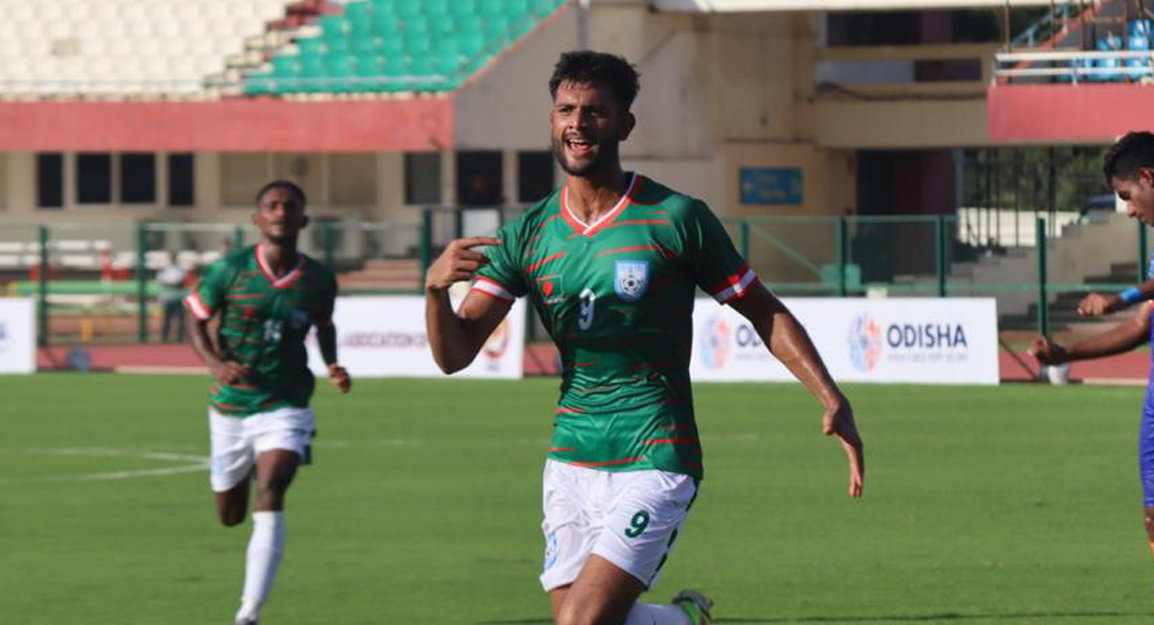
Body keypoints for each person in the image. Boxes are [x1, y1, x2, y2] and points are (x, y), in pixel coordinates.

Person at [425, 51, 865, 625]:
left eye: (595, 111)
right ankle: (684, 620)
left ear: (625, 124)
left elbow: (765, 312)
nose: (578, 123)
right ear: (552, 119)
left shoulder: (675, 218)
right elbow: (455, 355)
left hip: (656, 452)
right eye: (566, 110)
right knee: (586, 620)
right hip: (571, 457)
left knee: (581, 622)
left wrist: (831, 396)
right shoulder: (527, 235)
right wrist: (434, 293)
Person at [1030, 131, 1154, 625]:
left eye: (1127, 196)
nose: (1128, 210)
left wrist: (1124, 295)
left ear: (1149, 177)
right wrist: (1068, 353)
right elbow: (1142, 326)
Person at [184, 180, 351, 625]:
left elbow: (324, 324)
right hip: (231, 406)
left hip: (287, 401)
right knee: (230, 515)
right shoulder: (229, 270)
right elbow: (195, 318)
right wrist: (216, 364)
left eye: (289, 206)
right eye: (272, 206)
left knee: (272, 489)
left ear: (303, 219)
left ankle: (249, 612)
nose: (280, 212)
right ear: (258, 219)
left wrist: (332, 364)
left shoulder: (319, 278)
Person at [157, 251, 187, 343]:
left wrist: (170, 283)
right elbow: (161, 281)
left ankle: (179, 338)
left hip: (179, 298)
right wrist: (171, 283)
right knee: (166, 319)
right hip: (168, 298)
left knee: (181, 320)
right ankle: (164, 338)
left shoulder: (180, 269)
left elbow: (179, 281)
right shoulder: (164, 269)